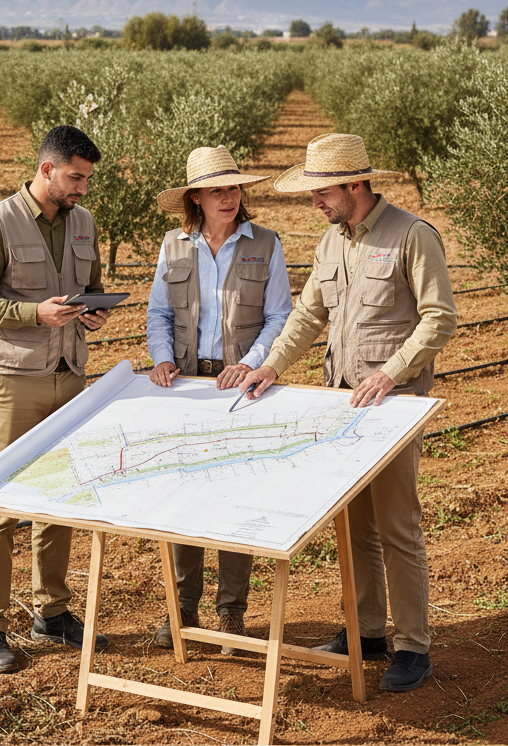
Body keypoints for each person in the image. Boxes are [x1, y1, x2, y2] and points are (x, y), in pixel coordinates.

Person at [238, 133, 457, 693]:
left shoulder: (413, 235)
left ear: (355, 185)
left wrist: (393, 370)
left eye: (322, 192)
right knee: (355, 524)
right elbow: (309, 315)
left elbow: (439, 318)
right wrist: (273, 366)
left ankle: (412, 646)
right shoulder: (333, 242)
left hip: (393, 405)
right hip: (343, 404)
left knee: (397, 525)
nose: (315, 202)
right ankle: (367, 632)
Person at [0, 125, 111, 673]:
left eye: (87, 179)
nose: (82, 189)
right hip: (14, 380)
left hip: (69, 375)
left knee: (59, 498)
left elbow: (91, 285)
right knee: (0, 501)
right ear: (45, 169)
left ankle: (51, 612)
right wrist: (34, 313)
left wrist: (94, 311)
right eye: (75, 177)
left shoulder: (84, 222)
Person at [147, 145, 292, 654]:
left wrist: (251, 363)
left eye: (234, 188)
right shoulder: (173, 246)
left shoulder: (266, 244)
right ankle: (181, 608)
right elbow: (159, 315)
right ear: (197, 199)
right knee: (183, 497)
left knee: (238, 498)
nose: (229, 197)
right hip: (186, 386)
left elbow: (279, 318)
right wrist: (162, 358)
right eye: (217, 190)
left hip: (242, 390)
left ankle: (232, 614)